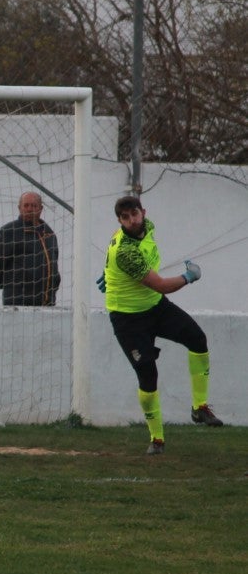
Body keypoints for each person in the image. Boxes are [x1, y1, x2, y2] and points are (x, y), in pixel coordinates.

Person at [100, 195, 222, 456]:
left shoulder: (149, 227)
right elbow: (164, 285)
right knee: (148, 375)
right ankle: (157, 439)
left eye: (135, 214)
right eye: (125, 218)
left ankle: (199, 407)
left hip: (155, 306)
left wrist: (108, 272)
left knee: (197, 339)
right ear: (119, 221)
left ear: (144, 212)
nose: (132, 221)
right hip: (128, 317)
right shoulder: (126, 252)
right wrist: (190, 276)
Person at [0, 191, 60, 306]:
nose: (29, 209)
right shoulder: (10, 231)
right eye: (26, 205)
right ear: (19, 208)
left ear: (41, 208)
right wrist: (8, 284)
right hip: (17, 306)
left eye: (34, 206)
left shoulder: (49, 235)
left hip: (47, 305)